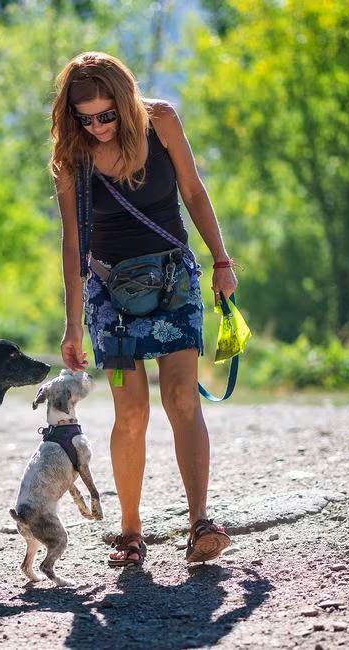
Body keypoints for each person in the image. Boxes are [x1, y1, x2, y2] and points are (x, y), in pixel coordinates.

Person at [49, 51, 237, 566]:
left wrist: (221, 261)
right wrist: (73, 326)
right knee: (130, 413)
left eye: (106, 114)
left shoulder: (162, 120)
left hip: (174, 279)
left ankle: (199, 522)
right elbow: (72, 244)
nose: (97, 126)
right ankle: (131, 533)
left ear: (126, 100)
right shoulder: (73, 153)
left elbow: (194, 193)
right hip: (111, 294)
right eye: (85, 118)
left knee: (181, 398)